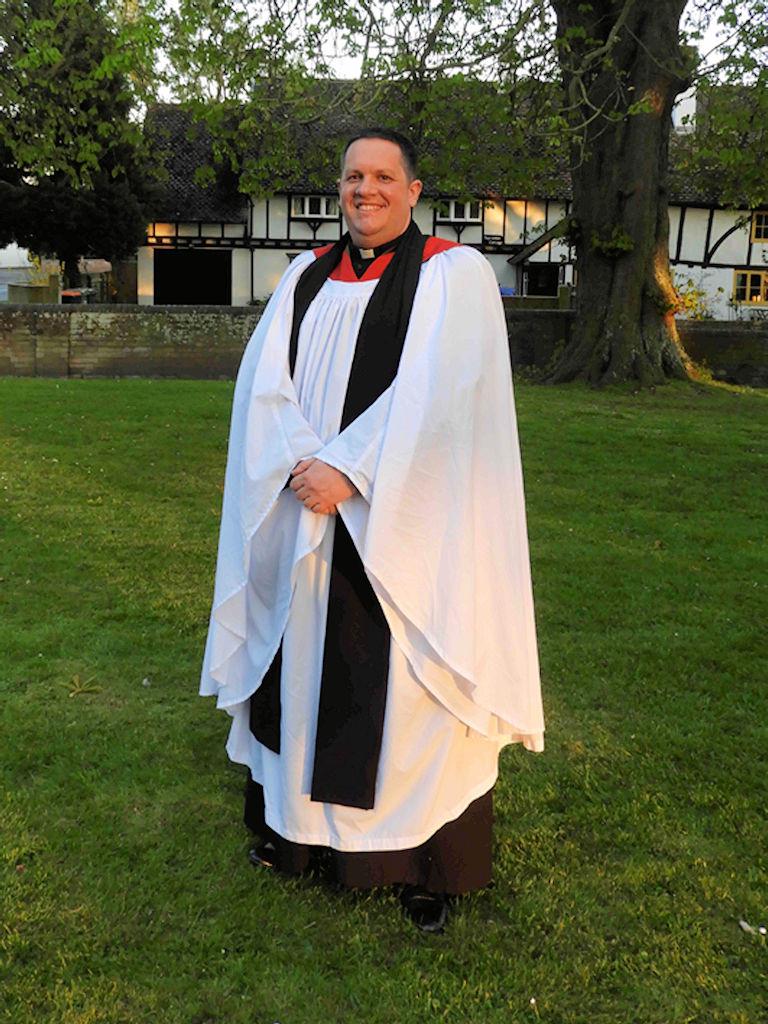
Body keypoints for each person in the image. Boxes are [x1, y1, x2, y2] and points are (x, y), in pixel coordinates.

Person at [200, 128, 544, 932]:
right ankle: (300, 840)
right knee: (303, 662)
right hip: (304, 514)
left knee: (406, 680)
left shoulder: (450, 278)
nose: (366, 190)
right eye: (354, 176)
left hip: (400, 521)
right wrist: (297, 464)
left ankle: (423, 862)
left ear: (414, 190)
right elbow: (265, 387)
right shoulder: (303, 278)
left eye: (384, 176)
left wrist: (349, 471)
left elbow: (439, 397)